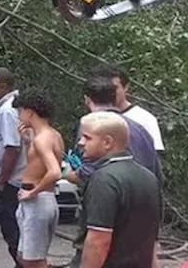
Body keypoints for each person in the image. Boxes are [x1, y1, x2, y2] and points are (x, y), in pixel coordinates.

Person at [72, 112, 161, 268]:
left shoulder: (104, 179)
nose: (81, 142)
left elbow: (98, 240)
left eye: (87, 137)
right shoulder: (149, 177)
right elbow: (151, 238)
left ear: (107, 142)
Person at [69, 77, 161, 184]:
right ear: (115, 98)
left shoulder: (92, 127)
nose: (83, 141)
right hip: (146, 193)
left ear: (87, 99)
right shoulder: (140, 129)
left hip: (112, 193)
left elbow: (87, 174)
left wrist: (64, 174)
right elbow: (157, 170)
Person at [12, 91, 65, 268]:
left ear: (30, 113)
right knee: (22, 256)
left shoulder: (42, 139)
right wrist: (27, 141)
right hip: (37, 199)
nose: (19, 117)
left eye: (20, 112)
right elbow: (38, 164)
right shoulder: (53, 135)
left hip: (38, 199)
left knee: (33, 260)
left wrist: (33, 192)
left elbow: (54, 172)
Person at [0, 67, 27, 268]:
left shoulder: (8, 110)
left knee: (13, 231)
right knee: (14, 231)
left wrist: (2, 178)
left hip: (10, 182)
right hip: (11, 180)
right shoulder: (9, 107)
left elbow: (12, 147)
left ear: (3, 86)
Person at [101, 64, 164, 153]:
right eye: (106, 88)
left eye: (114, 88)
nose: (110, 93)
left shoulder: (145, 119)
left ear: (125, 87)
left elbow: (155, 156)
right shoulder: (96, 118)